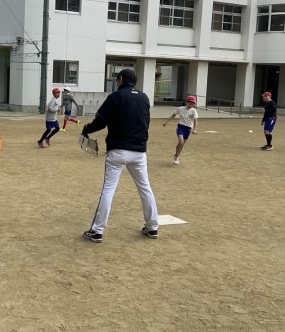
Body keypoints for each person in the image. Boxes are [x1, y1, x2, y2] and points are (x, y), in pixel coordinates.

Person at [80, 68, 159, 243]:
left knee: (108, 189)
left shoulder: (115, 97)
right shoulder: (144, 97)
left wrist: (87, 129)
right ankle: (152, 226)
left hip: (118, 150)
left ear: (121, 79)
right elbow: (146, 122)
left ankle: (97, 230)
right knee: (145, 188)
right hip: (139, 151)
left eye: (117, 79)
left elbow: (101, 121)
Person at [162, 95, 199, 165]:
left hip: (188, 129)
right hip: (180, 127)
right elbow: (173, 115)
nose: (191, 105)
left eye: (192, 104)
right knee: (181, 142)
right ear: (186, 102)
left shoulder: (193, 110)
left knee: (181, 144)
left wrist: (195, 129)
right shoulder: (180, 109)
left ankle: (176, 155)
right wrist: (166, 122)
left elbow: (195, 120)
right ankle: (176, 157)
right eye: (189, 103)